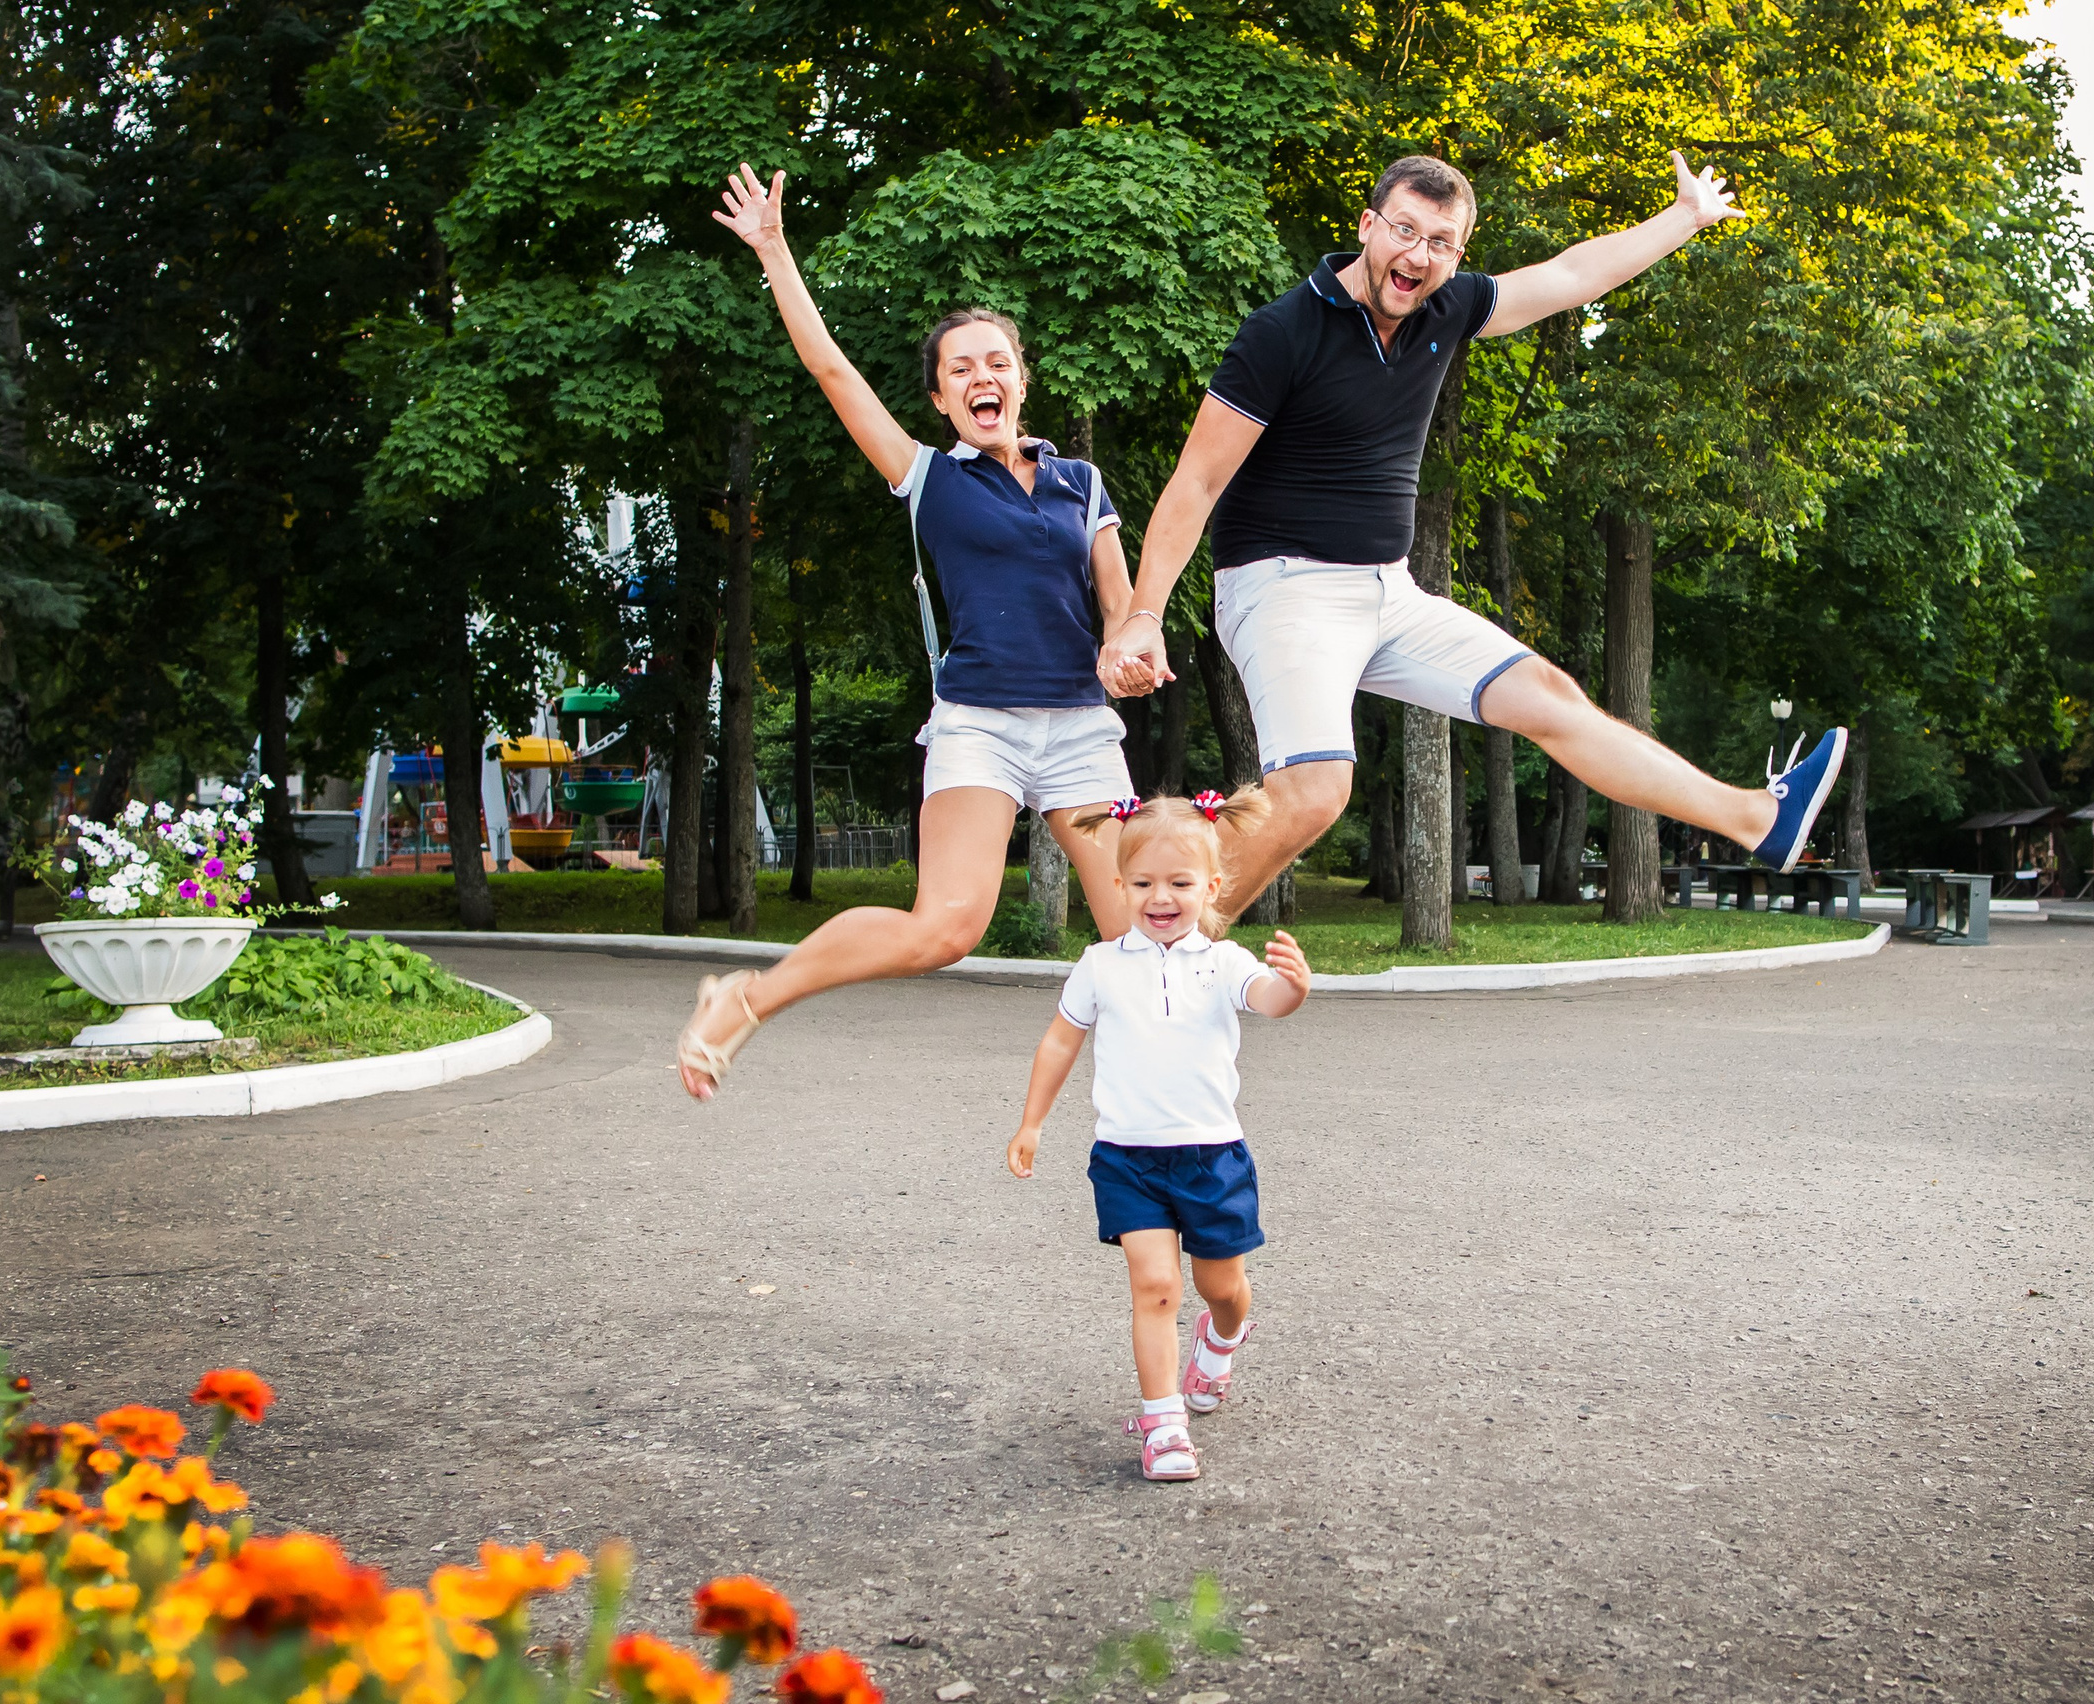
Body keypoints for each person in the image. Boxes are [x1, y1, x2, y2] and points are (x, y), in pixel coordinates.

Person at [1100, 152, 1847, 911]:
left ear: (1457, 256)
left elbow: (1569, 276)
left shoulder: (1447, 308)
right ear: (1368, 227)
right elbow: (1196, 482)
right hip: (1283, 588)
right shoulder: (1281, 333)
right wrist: (1143, 616)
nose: (1417, 256)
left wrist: (1684, 218)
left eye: (1441, 243)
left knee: (1550, 696)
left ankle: (1758, 818)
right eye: (1404, 231)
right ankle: (1151, 948)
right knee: (1316, 794)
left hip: (1388, 591)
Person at [678, 164, 1139, 1098]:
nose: (982, 376)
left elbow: (1122, 609)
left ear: (1021, 379)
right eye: (960, 368)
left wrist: (1132, 646)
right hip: (981, 724)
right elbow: (830, 368)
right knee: (944, 930)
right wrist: (774, 251)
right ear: (939, 399)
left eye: (996, 362)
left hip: (1082, 729)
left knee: (1141, 931)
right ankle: (745, 1000)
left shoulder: (1080, 484)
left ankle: (1155, 1122)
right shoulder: (928, 476)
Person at [1004, 788, 1311, 1482]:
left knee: (1222, 1286)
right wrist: (1031, 1123)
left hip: (1212, 1158)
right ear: (1118, 885)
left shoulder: (1225, 963)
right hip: (1127, 1159)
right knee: (1156, 1285)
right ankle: (1163, 1422)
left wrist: (1293, 988)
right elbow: (1059, 1042)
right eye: (1142, 882)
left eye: (1178, 882)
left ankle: (1222, 1339)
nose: (1160, 897)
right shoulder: (1100, 965)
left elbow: (1269, 1001)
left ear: (1212, 885)